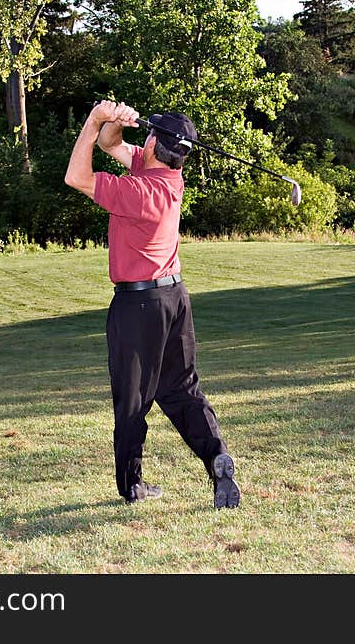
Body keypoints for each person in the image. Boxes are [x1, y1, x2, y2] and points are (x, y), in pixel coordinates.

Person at [64, 100, 240, 509]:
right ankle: (216, 456)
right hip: (173, 298)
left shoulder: (139, 190)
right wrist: (112, 123)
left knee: (132, 398)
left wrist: (92, 119)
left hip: (139, 304)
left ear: (152, 143)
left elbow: (76, 176)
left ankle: (132, 485)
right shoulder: (167, 177)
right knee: (181, 388)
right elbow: (111, 146)